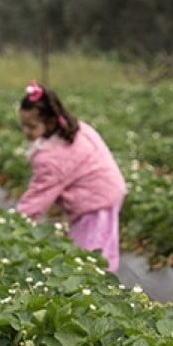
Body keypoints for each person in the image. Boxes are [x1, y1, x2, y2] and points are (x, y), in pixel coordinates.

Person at [15, 80, 127, 273]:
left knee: (91, 255)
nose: (27, 133)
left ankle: (98, 286)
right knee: (94, 247)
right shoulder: (72, 129)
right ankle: (98, 284)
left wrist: (16, 224)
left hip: (96, 201)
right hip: (107, 191)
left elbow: (38, 196)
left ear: (49, 122)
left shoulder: (52, 157)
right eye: (23, 126)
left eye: (32, 127)